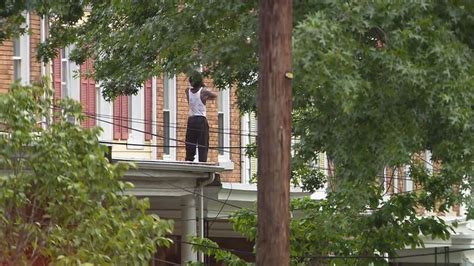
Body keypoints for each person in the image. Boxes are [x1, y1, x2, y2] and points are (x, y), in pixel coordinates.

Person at [185, 71, 217, 162]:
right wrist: (206, 93)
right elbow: (214, 95)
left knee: (190, 143)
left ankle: (189, 160)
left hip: (191, 120)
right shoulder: (203, 92)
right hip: (201, 119)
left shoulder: (187, 91)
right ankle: (202, 161)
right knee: (203, 143)